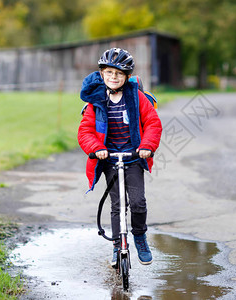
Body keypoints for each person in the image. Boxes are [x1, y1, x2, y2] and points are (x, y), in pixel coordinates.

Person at [78, 48, 162, 266]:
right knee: (117, 205)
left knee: (138, 202)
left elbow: (152, 123)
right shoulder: (96, 101)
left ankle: (140, 237)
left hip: (133, 155)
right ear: (102, 74)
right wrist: (96, 148)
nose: (113, 77)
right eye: (109, 73)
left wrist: (146, 146)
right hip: (109, 158)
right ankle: (117, 245)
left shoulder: (137, 98)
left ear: (126, 76)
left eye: (119, 74)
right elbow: (85, 131)